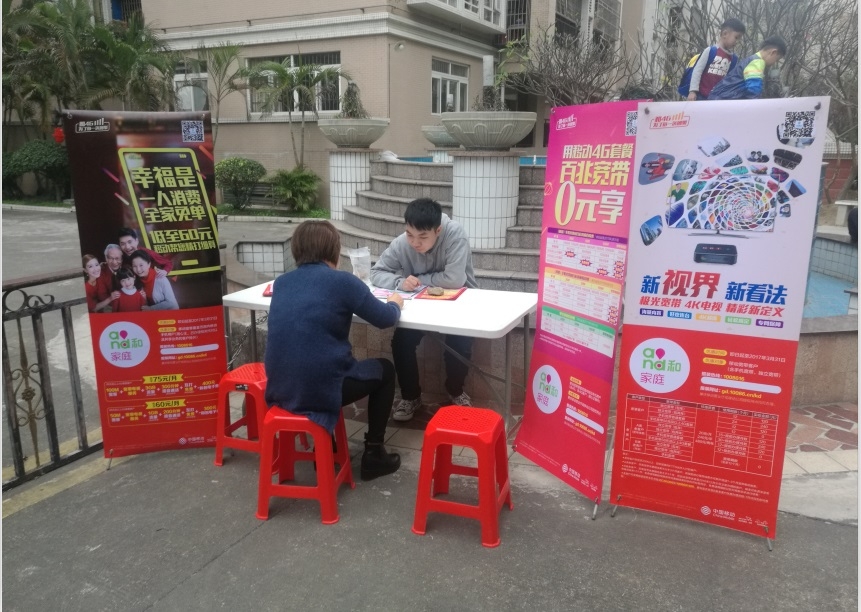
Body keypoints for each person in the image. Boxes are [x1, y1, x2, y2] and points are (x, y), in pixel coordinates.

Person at [264, 220, 404, 481]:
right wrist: (396, 303)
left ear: (296, 251)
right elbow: (385, 318)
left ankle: (326, 447)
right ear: (334, 251)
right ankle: (374, 453)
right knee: (385, 370)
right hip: (322, 389)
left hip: (280, 388)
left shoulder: (282, 283)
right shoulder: (343, 282)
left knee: (315, 361)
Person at [370, 198, 478, 421]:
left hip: (459, 302)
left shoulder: (455, 235)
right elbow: (377, 272)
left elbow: (455, 279)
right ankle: (410, 396)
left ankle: (455, 390)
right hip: (419, 305)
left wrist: (419, 280)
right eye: (410, 234)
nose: (415, 243)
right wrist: (400, 282)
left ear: (438, 231)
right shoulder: (402, 243)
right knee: (401, 341)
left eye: (422, 237)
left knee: (460, 341)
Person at [708, 36, 787, 100]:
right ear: (773, 52)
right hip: (724, 101)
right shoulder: (757, 62)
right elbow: (754, 90)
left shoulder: (751, 59)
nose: (774, 63)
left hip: (719, 98)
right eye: (776, 59)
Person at [685, 18, 746, 101]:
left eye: (739, 39)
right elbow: (697, 71)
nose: (737, 41)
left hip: (718, 99)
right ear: (725, 34)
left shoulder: (733, 59)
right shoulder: (710, 51)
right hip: (701, 96)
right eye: (736, 37)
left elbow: (729, 80)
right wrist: (693, 91)